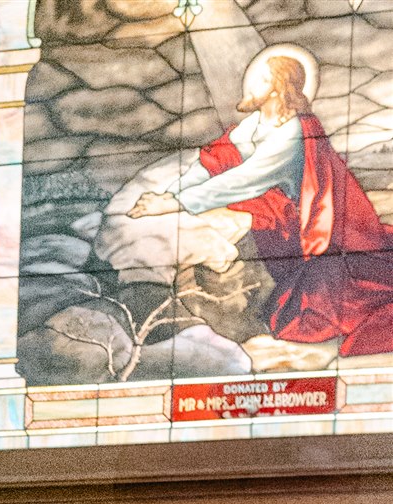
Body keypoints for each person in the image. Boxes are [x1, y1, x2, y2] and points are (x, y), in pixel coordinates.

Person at [131, 49, 393, 358]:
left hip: (323, 234)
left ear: (280, 87)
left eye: (262, 79)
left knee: (305, 318)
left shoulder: (293, 132)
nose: (251, 85)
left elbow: (246, 177)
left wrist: (177, 203)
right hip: (285, 228)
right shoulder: (253, 125)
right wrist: (169, 195)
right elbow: (213, 162)